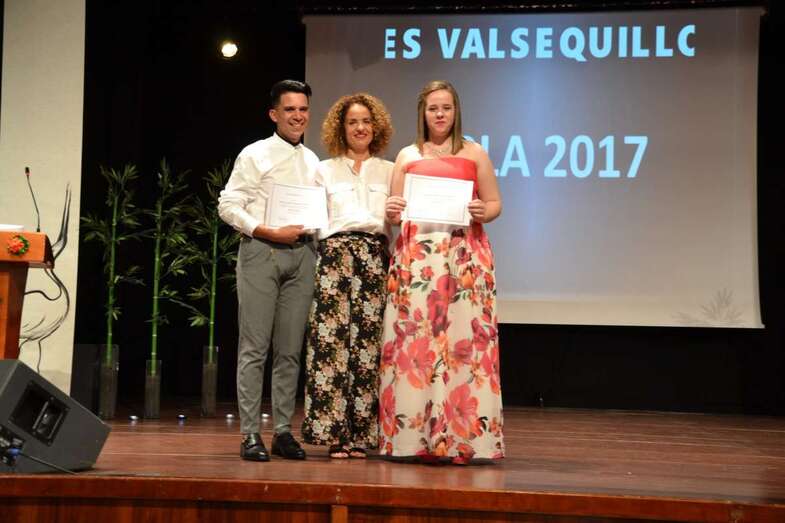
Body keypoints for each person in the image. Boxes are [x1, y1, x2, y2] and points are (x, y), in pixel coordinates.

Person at [380, 80, 504, 464]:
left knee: (463, 344)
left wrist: (484, 211)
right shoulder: (407, 155)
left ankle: (464, 440)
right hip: (418, 260)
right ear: (423, 112)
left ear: (456, 111)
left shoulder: (474, 152)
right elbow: (394, 211)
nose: (440, 114)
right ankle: (414, 438)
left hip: (463, 258)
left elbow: (494, 203)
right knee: (417, 344)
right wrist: (393, 210)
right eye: (433, 108)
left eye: (446, 108)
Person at [218, 79, 319, 462]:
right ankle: (249, 434)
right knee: (255, 348)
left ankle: (282, 432)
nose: (298, 116)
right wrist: (265, 230)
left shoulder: (313, 161)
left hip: (302, 254)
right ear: (274, 114)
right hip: (262, 251)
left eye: (303, 109)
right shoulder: (255, 154)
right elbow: (228, 205)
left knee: (290, 350)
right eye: (290, 109)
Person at [301, 93, 394, 459]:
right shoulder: (323, 170)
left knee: (367, 346)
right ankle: (333, 434)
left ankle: (361, 434)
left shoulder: (390, 170)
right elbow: (313, 219)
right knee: (330, 343)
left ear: (376, 127)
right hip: (334, 255)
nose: (360, 128)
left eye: (366, 121)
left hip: (373, 255)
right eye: (353, 122)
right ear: (341, 128)